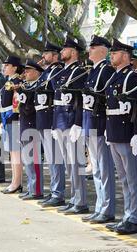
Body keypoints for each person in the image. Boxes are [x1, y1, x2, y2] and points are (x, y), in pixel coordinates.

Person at [104, 39, 137, 234]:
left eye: (116, 52)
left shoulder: (132, 77)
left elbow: (136, 108)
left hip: (126, 133)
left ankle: (134, 218)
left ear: (126, 55)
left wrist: (136, 133)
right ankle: (127, 215)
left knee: (132, 178)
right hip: (113, 131)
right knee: (123, 178)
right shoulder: (114, 77)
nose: (112, 55)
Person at [78, 35, 116, 224]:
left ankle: (107, 209)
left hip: (98, 123)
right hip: (89, 123)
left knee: (104, 168)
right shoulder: (93, 70)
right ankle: (100, 206)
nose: (90, 50)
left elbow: (104, 99)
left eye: (93, 47)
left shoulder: (106, 70)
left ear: (103, 50)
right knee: (96, 169)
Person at [53, 37, 89, 215]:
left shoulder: (80, 72)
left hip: (70, 121)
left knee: (76, 163)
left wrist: (77, 122)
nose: (61, 52)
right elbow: (57, 101)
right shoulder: (61, 72)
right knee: (68, 164)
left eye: (65, 49)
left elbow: (81, 100)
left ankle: (81, 200)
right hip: (60, 121)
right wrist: (54, 124)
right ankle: (74, 198)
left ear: (74, 52)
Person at [35, 42, 66, 208]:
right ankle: (54, 190)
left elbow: (55, 95)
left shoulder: (56, 71)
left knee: (55, 158)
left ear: (55, 56)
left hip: (49, 117)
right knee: (50, 158)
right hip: (42, 118)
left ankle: (58, 192)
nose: (43, 57)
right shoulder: (46, 72)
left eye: (47, 54)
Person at [15, 59, 45, 200]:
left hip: (32, 125)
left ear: (36, 72)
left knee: (34, 161)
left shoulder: (38, 87)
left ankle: (37, 190)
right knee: (27, 160)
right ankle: (30, 188)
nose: (25, 73)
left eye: (28, 70)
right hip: (24, 125)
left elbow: (30, 108)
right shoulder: (26, 86)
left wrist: (22, 95)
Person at [0, 56, 24, 191]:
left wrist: (10, 118)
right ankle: (15, 181)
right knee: (12, 153)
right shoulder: (8, 81)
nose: (5, 67)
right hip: (6, 118)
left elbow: (16, 104)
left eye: (7, 65)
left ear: (14, 67)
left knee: (15, 153)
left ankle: (16, 182)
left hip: (13, 118)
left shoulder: (17, 82)